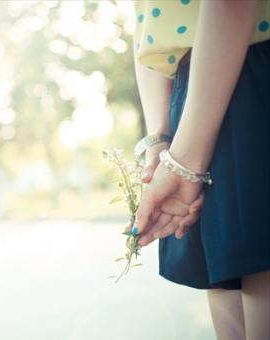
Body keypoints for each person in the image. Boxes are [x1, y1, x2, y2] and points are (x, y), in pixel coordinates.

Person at [127, 2, 269, 339]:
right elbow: (145, 21)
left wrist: (186, 159)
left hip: (251, 71)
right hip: (194, 95)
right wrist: (160, 142)